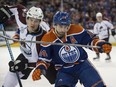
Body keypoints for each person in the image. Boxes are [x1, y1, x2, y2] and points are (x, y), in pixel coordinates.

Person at [32, 11, 112, 87]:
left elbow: (91, 40)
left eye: (66, 26)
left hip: (82, 65)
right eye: (61, 26)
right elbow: (44, 59)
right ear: (55, 25)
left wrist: (100, 44)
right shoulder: (47, 38)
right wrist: (40, 68)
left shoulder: (76, 29)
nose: (64, 29)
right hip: (64, 70)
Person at [0, 5, 57, 87]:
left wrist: (25, 65)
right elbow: (18, 8)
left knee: (59, 78)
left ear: (40, 22)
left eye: (36, 21)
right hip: (26, 55)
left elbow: (43, 57)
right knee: (13, 72)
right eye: (31, 20)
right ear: (26, 18)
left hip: (44, 59)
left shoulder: (45, 36)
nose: (32, 23)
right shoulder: (22, 21)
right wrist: (5, 10)